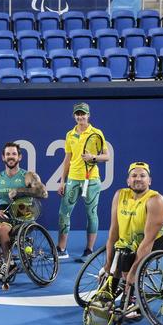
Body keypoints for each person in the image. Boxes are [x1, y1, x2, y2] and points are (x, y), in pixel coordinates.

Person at [0, 142, 48, 281]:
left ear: (19, 157)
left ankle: (10, 263)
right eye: (8, 154)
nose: (10, 157)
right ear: (3, 157)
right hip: (4, 214)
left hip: (23, 213)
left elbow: (44, 193)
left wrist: (19, 191)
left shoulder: (28, 176)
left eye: (14, 154)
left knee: (2, 229)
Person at [102, 162, 163, 291]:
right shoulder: (119, 195)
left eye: (142, 175)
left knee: (127, 259)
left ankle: (132, 301)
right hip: (128, 242)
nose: (138, 178)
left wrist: (133, 273)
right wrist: (108, 264)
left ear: (149, 181)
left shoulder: (156, 201)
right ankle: (109, 293)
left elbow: (148, 241)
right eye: (134, 175)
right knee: (117, 260)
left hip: (154, 242)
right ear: (128, 181)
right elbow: (114, 232)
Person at [57, 102, 110, 262]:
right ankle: (61, 249)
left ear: (88, 115)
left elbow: (106, 156)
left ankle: (89, 250)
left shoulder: (97, 133)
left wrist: (93, 157)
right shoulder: (69, 134)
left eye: (83, 114)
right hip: (73, 179)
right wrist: (62, 181)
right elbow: (67, 158)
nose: (81, 117)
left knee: (91, 214)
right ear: (74, 116)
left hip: (92, 180)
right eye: (78, 114)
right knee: (63, 214)